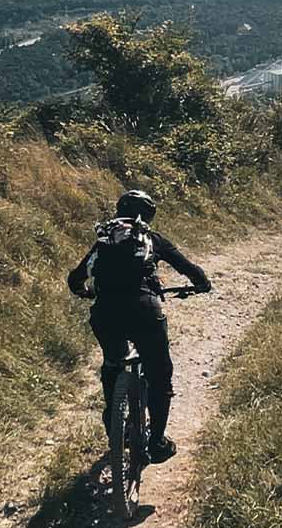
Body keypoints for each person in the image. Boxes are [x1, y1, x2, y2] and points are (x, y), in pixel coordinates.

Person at [67, 189, 212, 464]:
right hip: (144, 309)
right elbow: (188, 268)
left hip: (105, 313)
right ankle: (156, 442)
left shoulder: (104, 242)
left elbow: (76, 279)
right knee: (160, 375)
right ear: (147, 215)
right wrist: (202, 284)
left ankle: (114, 424)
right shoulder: (150, 239)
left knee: (113, 362)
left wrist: (86, 292)